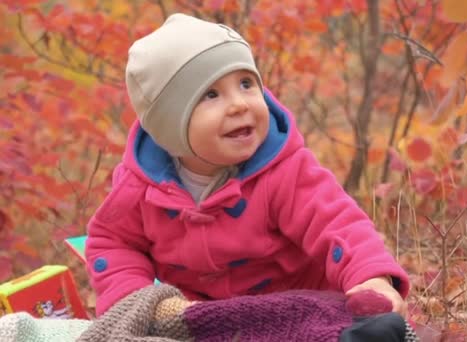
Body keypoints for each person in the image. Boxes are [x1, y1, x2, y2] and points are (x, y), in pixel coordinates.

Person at [85, 13, 411, 336]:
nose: (240, 104)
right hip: (207, 317)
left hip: (300, 305)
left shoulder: (283, 169)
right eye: (211, 94)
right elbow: (113, 242)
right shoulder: (140, 188)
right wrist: (134, 300)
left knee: (345, 332)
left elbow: (337, 223)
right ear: (169, 127)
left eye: (246, 83)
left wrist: (369, 277)